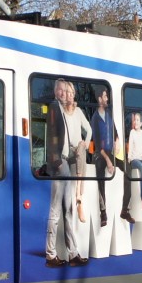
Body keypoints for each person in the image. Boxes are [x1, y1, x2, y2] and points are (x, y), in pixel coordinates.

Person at [44, 79, 91, 267]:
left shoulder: (68, 109)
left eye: (67, 91)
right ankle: (50, 254)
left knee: (68, 209)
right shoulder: (55, 107)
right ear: (56, 92)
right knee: (56, 210)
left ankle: (73, 253)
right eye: (62, 91)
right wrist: (55, 160)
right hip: (59, 162)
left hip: (68, 161)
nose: (64, 94)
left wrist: (83, 144)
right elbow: (53, 135)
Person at [90, 88, 118, 227]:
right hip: (100, 155)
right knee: (100, 171)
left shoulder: (109, 114)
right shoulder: (94, 118)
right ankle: (103, 211)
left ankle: (125, 209)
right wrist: (108, 160)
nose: (107, 99)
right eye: (105, 96)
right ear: (100, 99)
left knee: (127, 169)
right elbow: (97, 145)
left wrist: (117, 141)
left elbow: (116, 132)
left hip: (111, 152)